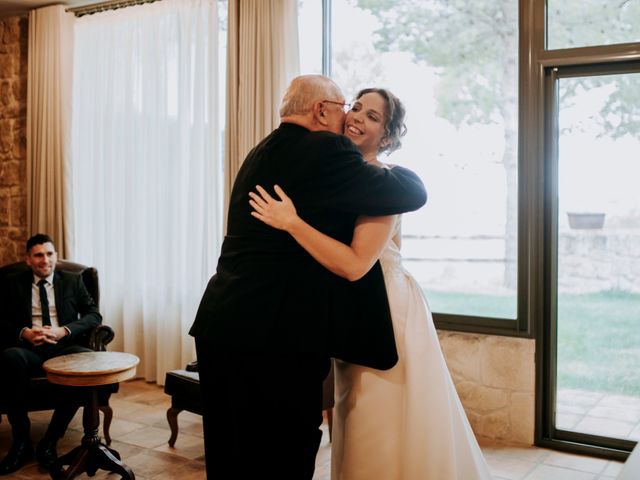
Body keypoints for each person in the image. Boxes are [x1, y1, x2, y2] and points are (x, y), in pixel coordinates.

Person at [189, 75, 426, 479]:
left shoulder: (261, 150)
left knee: (229, 451)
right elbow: (412, 192)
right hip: (276, 336)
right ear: (321, 111)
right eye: (347, 107)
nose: (350, 118)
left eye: (367, 114)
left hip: (220, 321)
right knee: (285, 451)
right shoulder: (326, 150)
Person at [249, 88, 492, 479]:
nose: (358, 117)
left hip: (385, 312)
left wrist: (291, 222)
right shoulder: (341, 173)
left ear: (388, 137)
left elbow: (355, 264)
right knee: (352, 409)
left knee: (379, 416)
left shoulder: (383, 182)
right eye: (357, 108)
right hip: (353, 310)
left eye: (374, 117)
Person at [0, 234, 102, 475]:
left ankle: (50, 440)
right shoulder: (12, 283)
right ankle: (21, 441)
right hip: (28, 350)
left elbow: (93, 315)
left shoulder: (73, 280)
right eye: (38, 255)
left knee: (85, 361)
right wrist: (24, 333)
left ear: (56, 256)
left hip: (63, 347)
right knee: (9, 358)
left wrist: (63, 330)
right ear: (28, 260)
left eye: (49, 254)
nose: (44, 260)